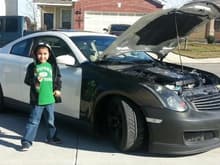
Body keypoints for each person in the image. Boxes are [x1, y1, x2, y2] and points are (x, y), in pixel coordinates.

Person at [21, 42, 62, 151]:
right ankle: (26, 141)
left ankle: (51, 137)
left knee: (50, 120)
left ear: (49, 54)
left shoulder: (52, 66)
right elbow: (27, 80)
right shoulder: (32, 66)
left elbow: (58, 79)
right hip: (38, 100)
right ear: (35, 54)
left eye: (45, 53)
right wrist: (35, 80)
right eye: (39, 54)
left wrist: (57, 89)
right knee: (33, 121)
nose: (42, 56)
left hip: (50, 99)